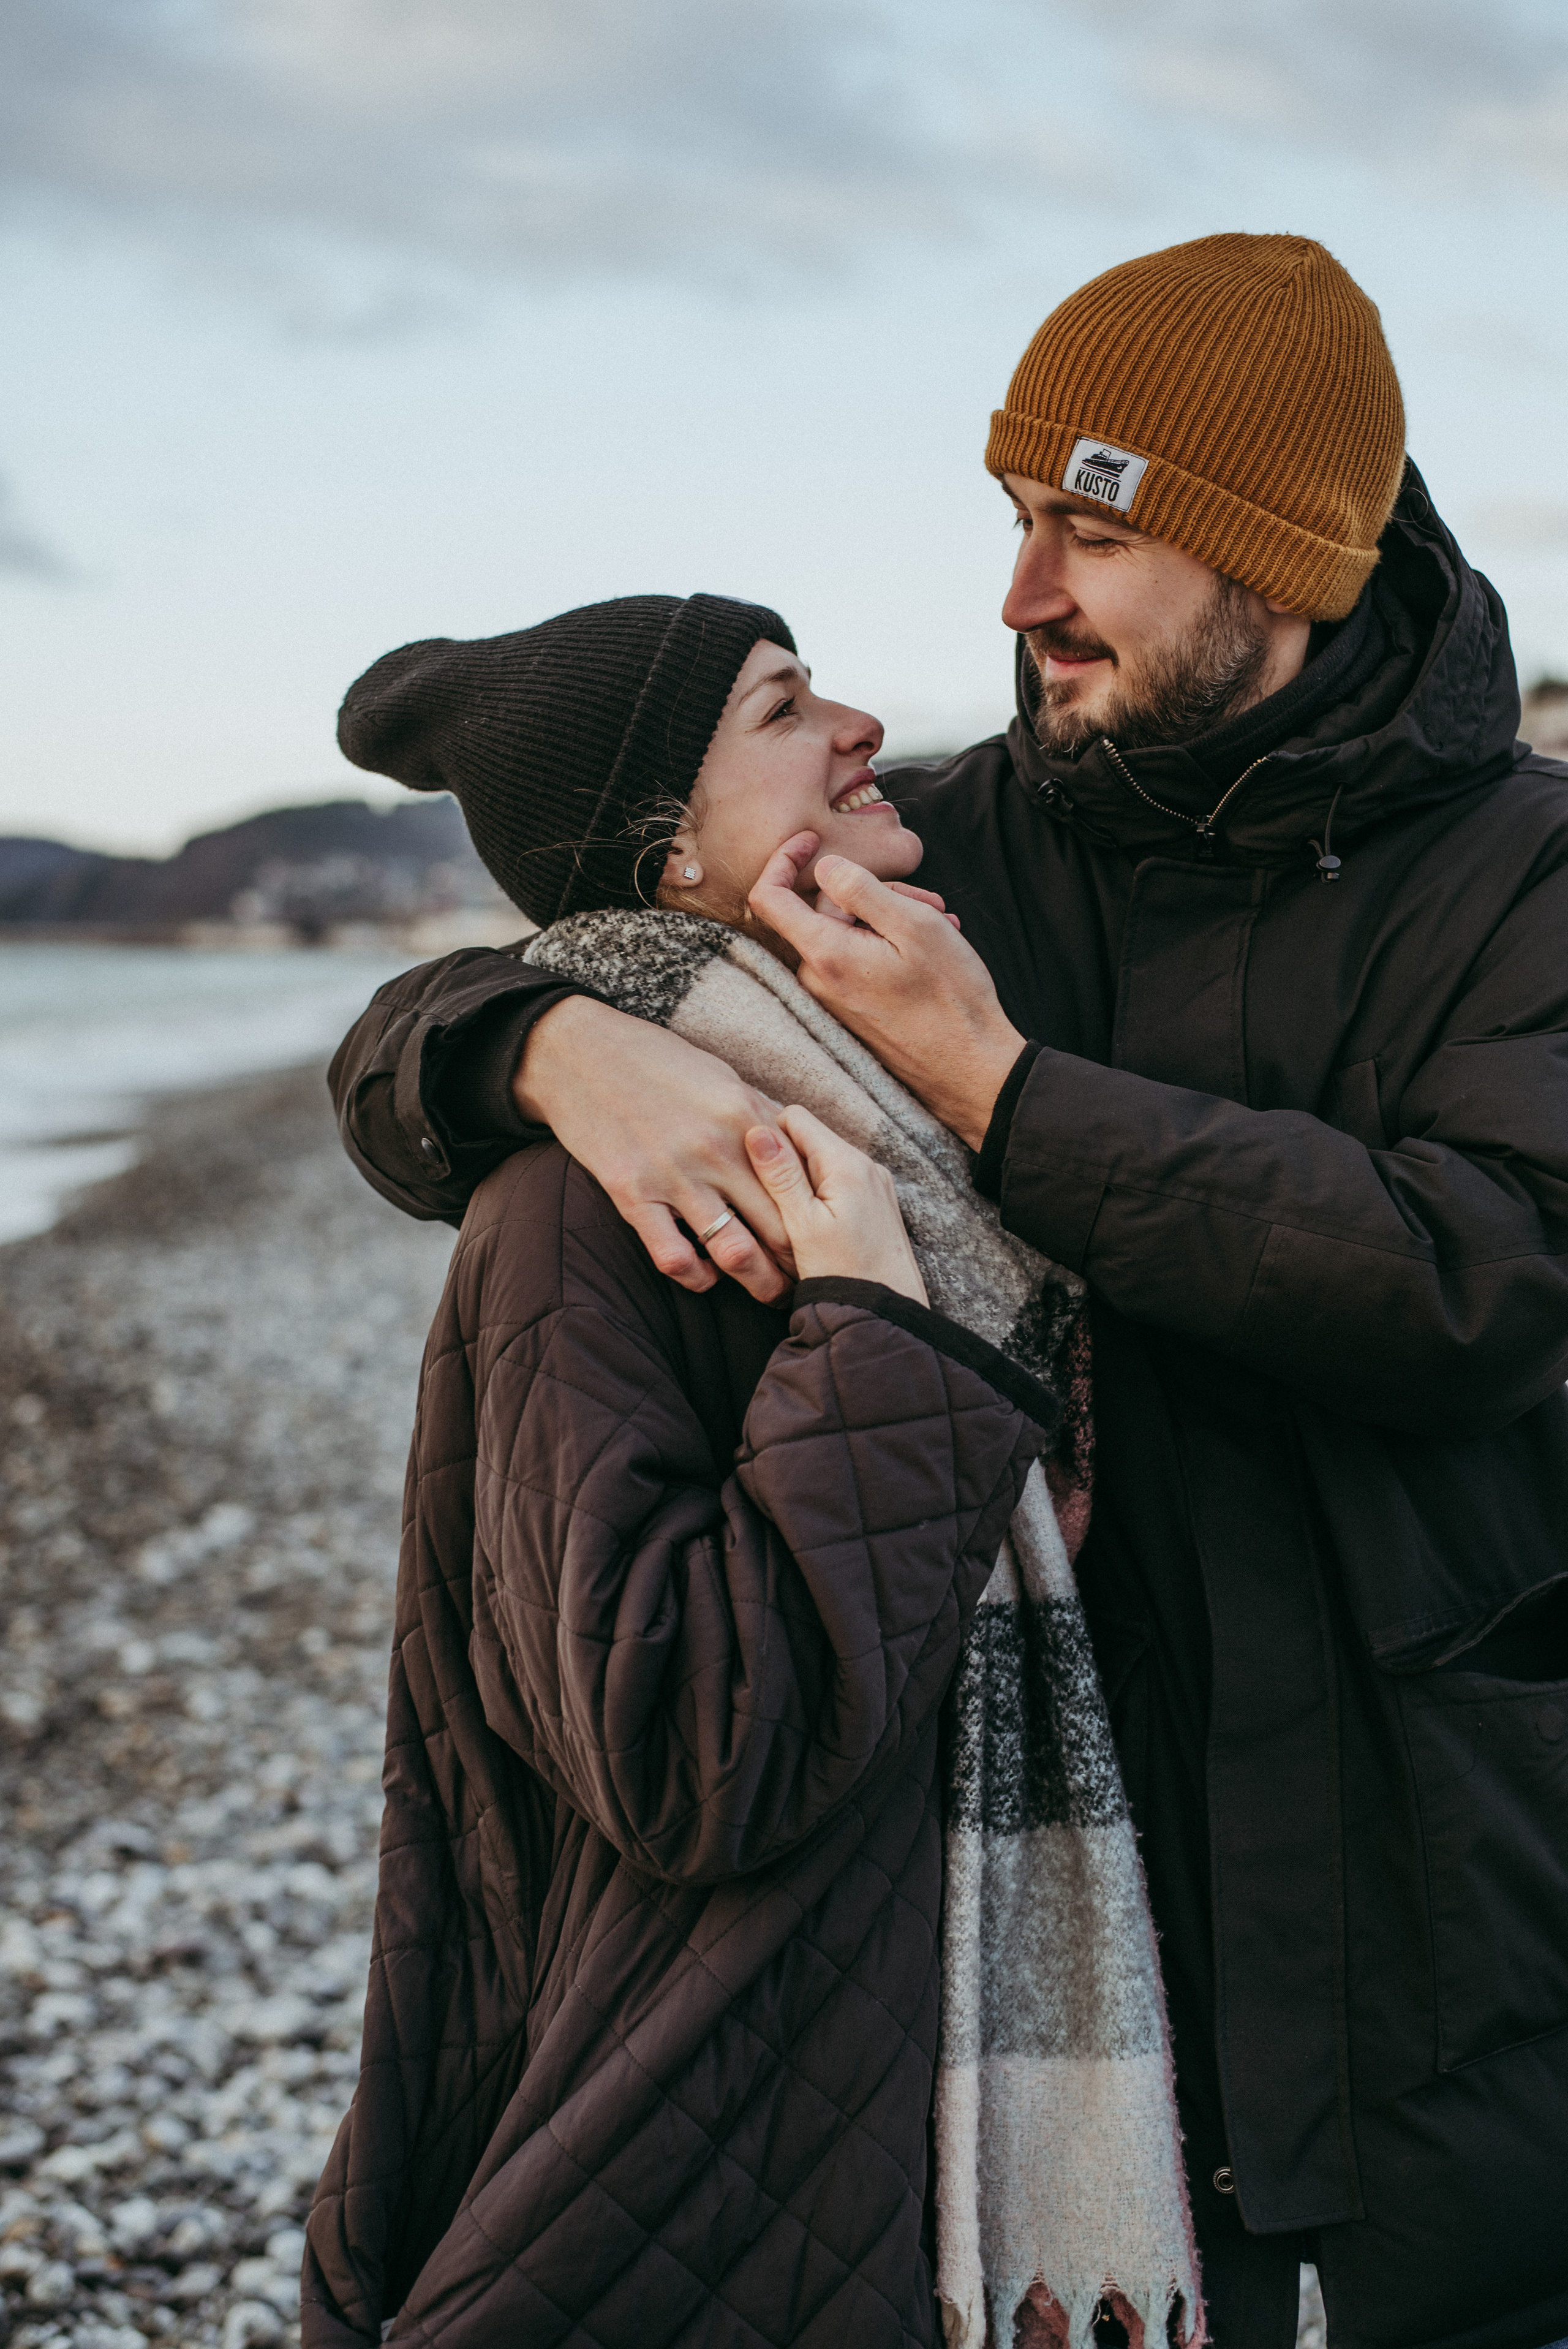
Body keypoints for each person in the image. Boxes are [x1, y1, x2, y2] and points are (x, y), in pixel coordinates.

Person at [324, 235, 1568, 2349]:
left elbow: (1479, 1272)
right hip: (1022, 1969)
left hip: (1428, 1950)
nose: (1019, 600)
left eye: (1090, 533)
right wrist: (526, 1041)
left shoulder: (1530, 875)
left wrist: (1003, 1094)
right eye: (1015, 523)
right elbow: (612, 907)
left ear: (1282, 552)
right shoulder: (959, 844)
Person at [304, 594, 1200, 2349]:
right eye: (787, 706)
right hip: (710, 2122)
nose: (862, 722)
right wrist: (869, 1320)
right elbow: (689, 1750)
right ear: (671, 858)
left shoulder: (892, 1116)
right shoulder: (583, 1206)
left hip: (875, 2097)